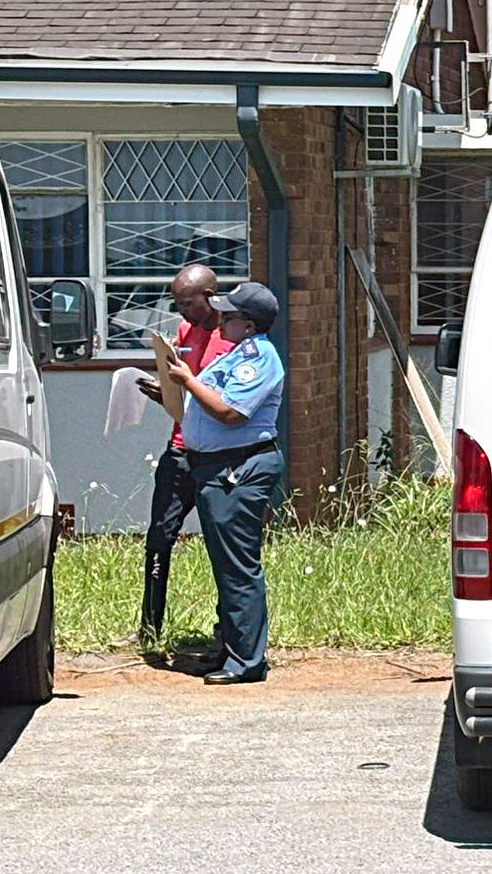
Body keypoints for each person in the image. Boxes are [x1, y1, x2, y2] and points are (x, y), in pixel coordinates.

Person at [169, 282, 285, 685]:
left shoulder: (260, 358)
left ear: (247, 324)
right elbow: (205, 403)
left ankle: (247, 661)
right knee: (226, 564)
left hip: (239, 469)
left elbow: (229, 412)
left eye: (228, 315)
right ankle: (229, 648)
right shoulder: (236, 355)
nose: (220, 319)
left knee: (238, 567)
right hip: (217, 469)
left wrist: (187, 380)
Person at [129, 265, 236, 644]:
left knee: (222, 543)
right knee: (159, 535)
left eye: (187, 303)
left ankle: (228, 632)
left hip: (218, 454)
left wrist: (189, 392)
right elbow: (185, 391)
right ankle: (149, 627)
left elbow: (226, 400)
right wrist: (166, 394)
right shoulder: (185, 331)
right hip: (180, 447)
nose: (182, 311)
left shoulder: (233, 335)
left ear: (210, 296)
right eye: (177, 304)